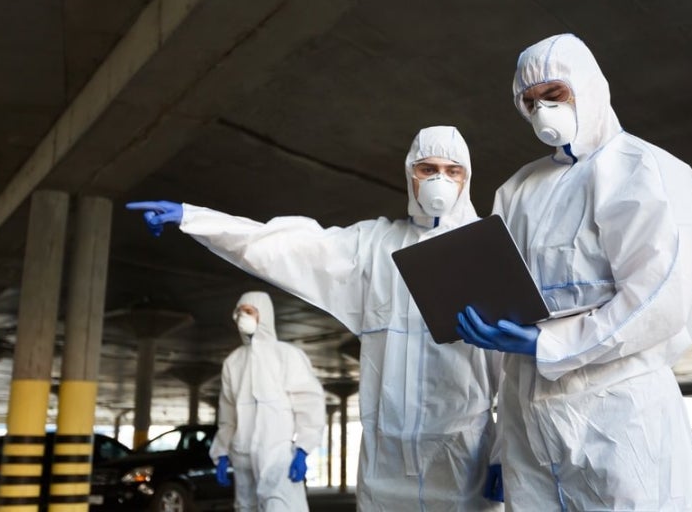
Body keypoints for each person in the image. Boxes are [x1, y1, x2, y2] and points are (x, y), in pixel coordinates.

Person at [127, 126, 504, 511]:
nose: (440, 179)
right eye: (428, 168)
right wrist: (195, 219)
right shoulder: (373, 246)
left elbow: (511, 366)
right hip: (386, 460)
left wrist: (504, 450)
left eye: (452, 170)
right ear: (411, 174)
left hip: (462, 456)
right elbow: (284, 245)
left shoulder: (484, 253)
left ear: (466, 178)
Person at [457, 33, 692, 511]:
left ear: (589, 87)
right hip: (528, 422)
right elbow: (502, 288)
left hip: (618, 418)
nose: (541, 111)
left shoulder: (643, 169)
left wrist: (547, 342)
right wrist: (500, 446)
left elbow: (658, 299)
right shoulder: (517, 190)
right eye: (530, 102)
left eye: (554, 95)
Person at [210, 290, 326, 512]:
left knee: (281, 506)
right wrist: (222, 451)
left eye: (249, 311)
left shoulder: (287, 355)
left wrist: (303, 448)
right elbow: (228, 414)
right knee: (246, 507)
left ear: (264, 314)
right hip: (242, 454)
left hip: (277, 455)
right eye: (238, 313)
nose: (242, 317)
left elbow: (309, 403)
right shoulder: (233, 362)